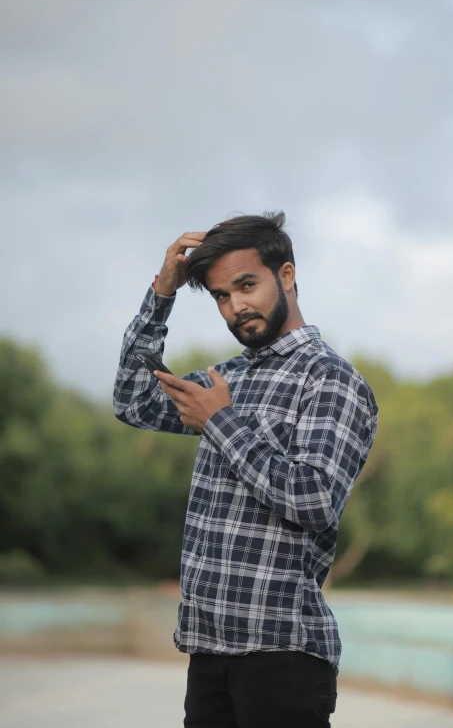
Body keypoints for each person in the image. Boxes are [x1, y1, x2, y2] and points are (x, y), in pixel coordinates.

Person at [113, 212, 378, 728]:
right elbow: (133, 401)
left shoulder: (331, 380)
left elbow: (316, 500)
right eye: (220, 296)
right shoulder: (226, 378)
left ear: (286, 275)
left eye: (246, 285)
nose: (236, 307)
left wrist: (222, 422)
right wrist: (161, 294)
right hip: (209, 649)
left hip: (283, 657)